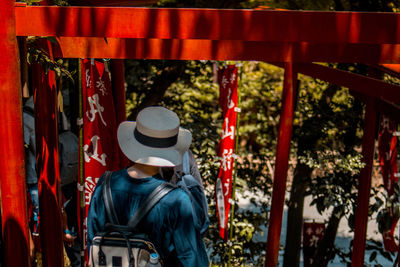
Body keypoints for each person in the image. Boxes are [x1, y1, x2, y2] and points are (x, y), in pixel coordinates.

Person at [87, 106, 209, 266]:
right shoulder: (175, 199)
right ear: (171, 150)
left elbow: (93, 240)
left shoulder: (106, 184)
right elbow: (191, 259)